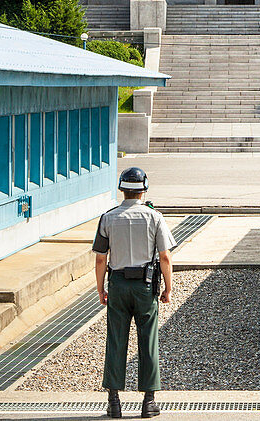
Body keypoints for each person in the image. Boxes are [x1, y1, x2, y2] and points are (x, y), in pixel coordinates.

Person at [93, 167, 175, 419]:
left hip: (117, 283)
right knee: (148, 340)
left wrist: (101, 289)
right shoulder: (155, 217)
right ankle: (149, 401)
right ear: (144, 190)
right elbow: (165, 256)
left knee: (116, 340)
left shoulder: (108, 218)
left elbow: (100, 259)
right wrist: (168, 289)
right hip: (145, 285)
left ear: (122, 189)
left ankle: (113, 401)